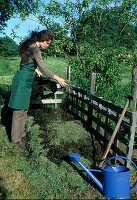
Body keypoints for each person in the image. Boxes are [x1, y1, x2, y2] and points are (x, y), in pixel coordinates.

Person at [8, 30, 67, 149]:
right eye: (48, 43)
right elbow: (44, 68)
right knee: (18, 110)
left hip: (26, 81)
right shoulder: (35, 49)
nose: (48, 45)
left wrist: (35, 70)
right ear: (42, 40)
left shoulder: (31, 47)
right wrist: (58, 78)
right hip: (22, 81)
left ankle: (22, 135)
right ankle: (15, 140)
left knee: (24, 108)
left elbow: (24, 63)